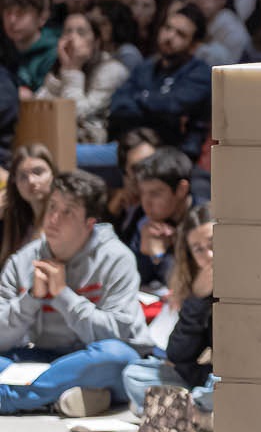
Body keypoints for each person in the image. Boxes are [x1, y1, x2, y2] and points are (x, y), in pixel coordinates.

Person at [0, 171, 149, 416]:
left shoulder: (116, 258)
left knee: (118, 358)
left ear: (89, 223)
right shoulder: (22, 261)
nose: (53, 219)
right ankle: (63, 395)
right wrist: (31, 299)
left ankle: (13, 397)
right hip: (43, 358)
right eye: (52, 207)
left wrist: (62, 295)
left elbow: (118, 335)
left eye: (67, 212)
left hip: (90, 357)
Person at [120, 206, 216, 419]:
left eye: (213, 244)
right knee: (136, 374)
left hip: (243, 379)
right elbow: (179, 355)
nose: (209, 255)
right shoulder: (200, 288)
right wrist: (196, 300)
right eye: (198, 249)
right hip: (210, 380)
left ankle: (183, 411)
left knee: (215, 388)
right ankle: (197, 412)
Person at [107, 5, 210, 157]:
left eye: (180, 34)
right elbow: (117, 103)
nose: (169, 36)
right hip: (132, 147)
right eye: (167, 28)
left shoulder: (200, 74)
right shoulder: (145, 67)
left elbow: (171, 106)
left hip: (177, 154)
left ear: (194, 45)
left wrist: (140, 99)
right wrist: (153, 107)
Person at [37, 9, 128, 144]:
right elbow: (41, 106)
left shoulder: (112, 70)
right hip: (61, 137)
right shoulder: (63, 64)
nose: (72, 38)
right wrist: (63, 71)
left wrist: (73, 70)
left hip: (95, 141)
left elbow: (77, 114)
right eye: (68, 31)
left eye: (81, 32)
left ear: (96, 41)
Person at [123, 148, 193, 296]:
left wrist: (159, 256)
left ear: (181, 189)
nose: (146, 203)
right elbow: (132, 279)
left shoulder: (202, 224)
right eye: (142, 193)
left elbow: (184, 287)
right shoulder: (145, 220)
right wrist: (144, 251)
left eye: (155, 194)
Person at [1, 0, 58, 92]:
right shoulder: (3, 50)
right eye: (8, 12)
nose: (12, 20)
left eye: (20, 13)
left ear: (42, 17)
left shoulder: (55, 55)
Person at [1, 142, 55, 263]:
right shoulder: (19, 224)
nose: (31, 181)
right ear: (15, 183)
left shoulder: (61, 221)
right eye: (23, 176)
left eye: (38, 172)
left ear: (53, 174)